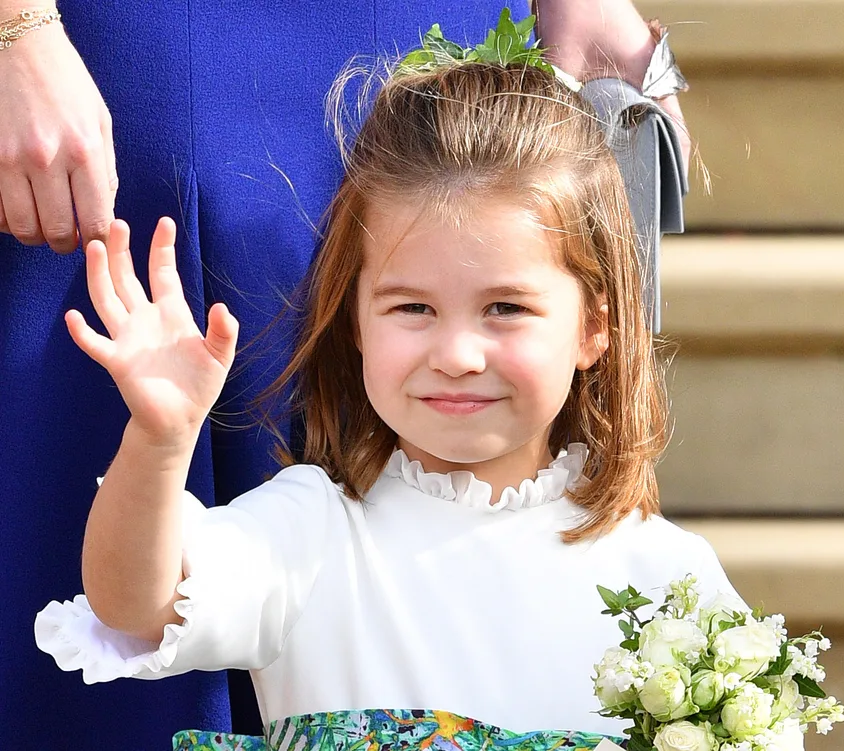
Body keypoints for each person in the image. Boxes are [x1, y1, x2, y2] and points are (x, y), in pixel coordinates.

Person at [1, 1, 690, 745]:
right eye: (413, 308)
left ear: (595, 325)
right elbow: (136, 600)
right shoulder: (313, 532)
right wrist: (162, 441)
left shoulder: (656, 566)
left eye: (505, 308)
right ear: (350, 319)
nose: (457, 353)